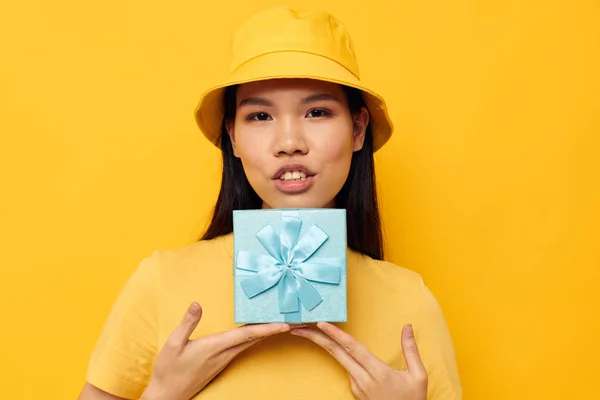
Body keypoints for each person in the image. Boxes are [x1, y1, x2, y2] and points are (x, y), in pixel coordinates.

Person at [78, 6, 462, 400]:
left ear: (358, 129)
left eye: (317, 111)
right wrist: (162, 393)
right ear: (233, 137)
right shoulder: (160, 282)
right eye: (260, 116)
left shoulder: (409, 302)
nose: (289, 142)